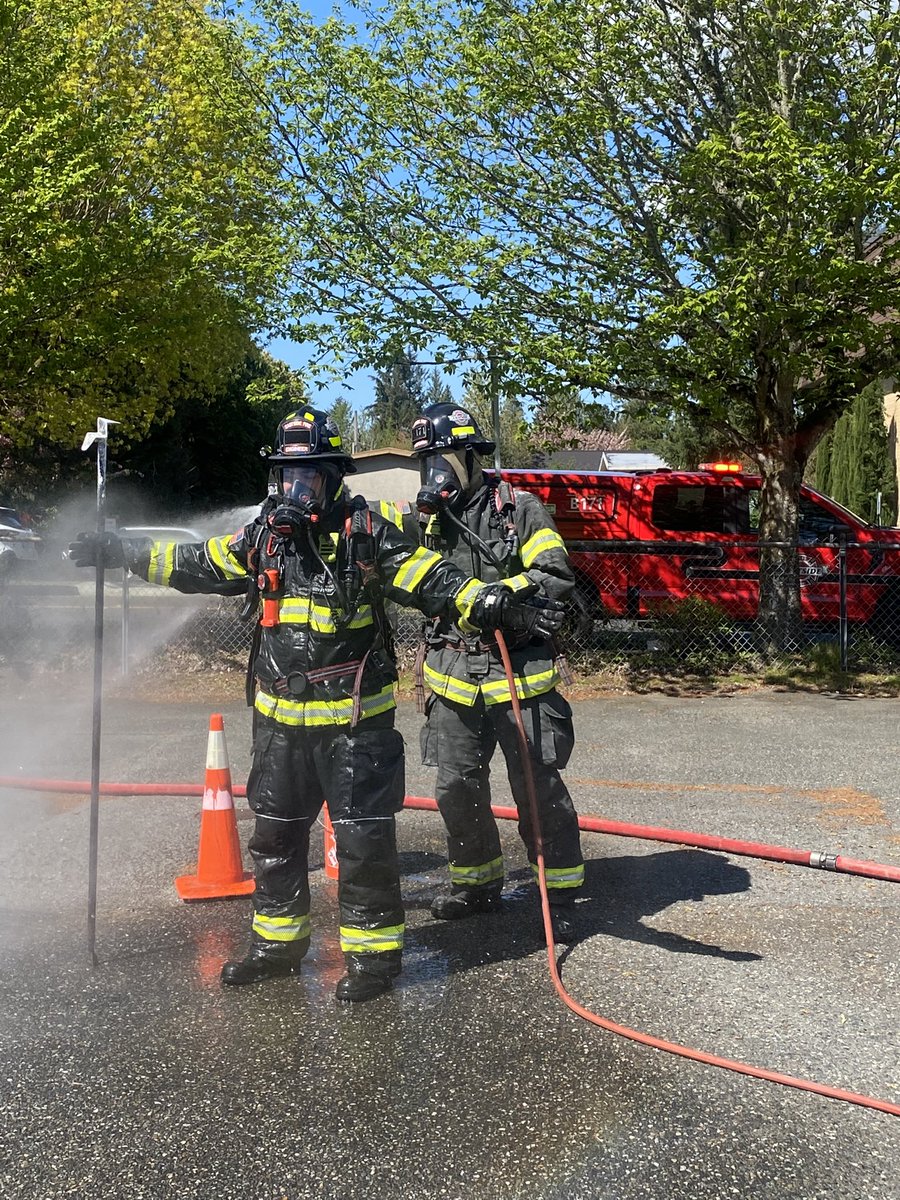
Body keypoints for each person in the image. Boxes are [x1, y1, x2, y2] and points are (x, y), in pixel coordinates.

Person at [69, 407, 564, 1002]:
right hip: (279, 728)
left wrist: (488, 601)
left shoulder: (367, 535)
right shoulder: (262, 539)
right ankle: (276, 947)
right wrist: (121, 552)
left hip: (355, 729)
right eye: (287, 477)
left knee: (363, 847)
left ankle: (373, 960)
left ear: (332, 478)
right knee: (274, 841)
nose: (296, 490)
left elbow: (433, 580)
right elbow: (194, 563)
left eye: (308, 478)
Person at [409, 403, 584, 943]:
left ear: (469, 457)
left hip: (518, 673)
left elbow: (555, 574)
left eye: (441, 461)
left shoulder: (518, 508)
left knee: (537, 787)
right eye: (425, 464)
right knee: (455, 787)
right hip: (452, 673)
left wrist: (501, 595)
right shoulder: (426, 521)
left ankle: (559, 893)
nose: (432, 474)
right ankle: (476, 884)